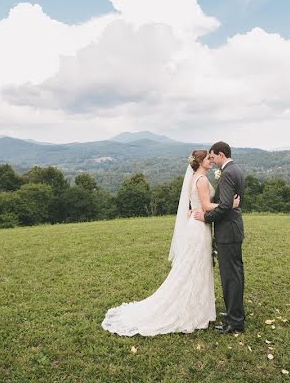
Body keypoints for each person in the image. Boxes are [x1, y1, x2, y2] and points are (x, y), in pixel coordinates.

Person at [101, 149, 240, 336]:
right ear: (200, 162)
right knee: (196, 267)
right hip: (199, 229)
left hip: (196, 224)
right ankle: (194, 310)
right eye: (208, 158)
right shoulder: (203, 180)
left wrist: (195, 210)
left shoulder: (194, 179)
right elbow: (206, 206)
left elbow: (195, 205)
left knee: (193, 267)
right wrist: (230, 204)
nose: (211, 160)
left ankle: (197, 307)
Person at [193, 141, 246, 334]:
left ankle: (235, 322)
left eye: (213, 157)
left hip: (228, 232)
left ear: (221, 154)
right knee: (235, 273)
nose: (212, 161)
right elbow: (230, 203)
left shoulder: (227, 174)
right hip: (234, 229)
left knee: (230, 276)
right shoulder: (236, 170)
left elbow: (224, 206)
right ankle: (235, 313)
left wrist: (205, 216)